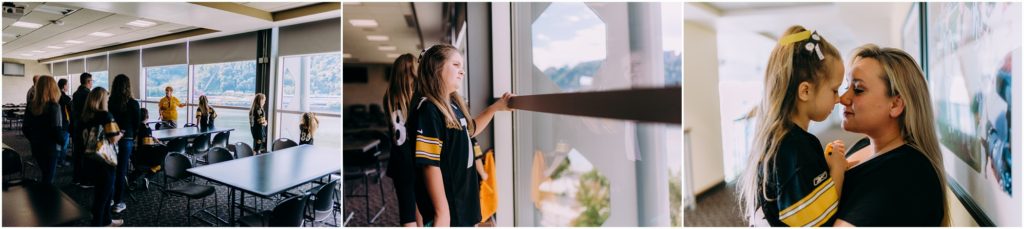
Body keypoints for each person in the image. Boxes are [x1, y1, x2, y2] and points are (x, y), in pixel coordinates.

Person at [737, 25, 848, 227]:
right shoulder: (796, 148)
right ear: (805, 91)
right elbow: (821, 221)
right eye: (834, 89)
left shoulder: (778, 141)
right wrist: (837, 168)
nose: (839, 98)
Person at [832, 44, 947, 226]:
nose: (843, 98)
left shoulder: (909, 173)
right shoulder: (864, 145)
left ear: (895, 104)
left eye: (858, 89)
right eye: (847, 86)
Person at [412, 44, 512, 226]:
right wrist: (442, 213)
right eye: (456, 65)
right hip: (450, 210)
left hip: (463, 204)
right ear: (437, 68)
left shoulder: (452, 106)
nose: (462, 72)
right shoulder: (429, 109)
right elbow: (429, 164)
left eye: (462, 67)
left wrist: (495, 108)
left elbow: (469, 130)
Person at [382, 53, 423, 227]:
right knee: (422, 209)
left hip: (399, 162)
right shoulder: (420, 97)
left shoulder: (389, 97)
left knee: (407, 212)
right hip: (418, 161)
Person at [81, 87, 124, 226]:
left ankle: (107, 221)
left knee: (103, 192)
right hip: (105, 161)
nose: (108, 100)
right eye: (107, 97)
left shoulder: (86, 116)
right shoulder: (106, 115)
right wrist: (121, 134)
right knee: (103, 196)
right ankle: (98, 223)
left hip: (91, 159)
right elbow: (113, 139)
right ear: (102, 99)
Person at [22, 76, 65, 184]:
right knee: (48, 178)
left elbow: (25, 128)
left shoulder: (31, 105)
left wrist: (34, 139)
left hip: (36, 147)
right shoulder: (54, 107)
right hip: (50, 149)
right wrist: (63, 141)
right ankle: (44, 199)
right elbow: (56, 131)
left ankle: (40, 198)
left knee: (45, 175)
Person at [107, 74, 139, 214]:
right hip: (127, 139)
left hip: (111, 138)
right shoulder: (133, 103)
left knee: (111, 170)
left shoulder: (109, 102)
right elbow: (136, 123)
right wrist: (134, 136)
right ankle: (118, 202)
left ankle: (110, 199)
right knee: (121, 171)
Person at [72, 72, 94, 188]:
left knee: (78, 153)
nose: (92, 84)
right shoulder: (89, 94)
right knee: (86, 154)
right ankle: (85, 180)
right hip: (86, 128)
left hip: (77, 126)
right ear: (88, 81)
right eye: (92, 81)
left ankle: (76, 178)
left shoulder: (75, 94)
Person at [57, 78, 73, 167]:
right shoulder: (65, 98)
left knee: (59, 143)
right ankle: (61, 161)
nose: (68, 86)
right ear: (63, 86)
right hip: (64, 124)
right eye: (67, 85)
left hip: (58, 123)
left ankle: (58, 160)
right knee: (64, 143)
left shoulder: (55, 96)